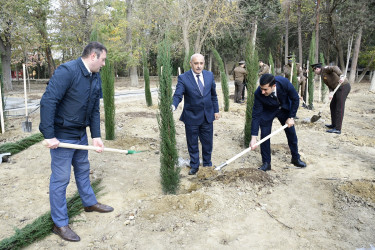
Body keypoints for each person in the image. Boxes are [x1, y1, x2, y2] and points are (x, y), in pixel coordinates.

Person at [39, 42, 114, 242]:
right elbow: (48, 101)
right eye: (103, 59)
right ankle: (60, 224)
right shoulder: (67, 71)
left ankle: (89, 203)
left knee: (82, 169)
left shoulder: (95, 76)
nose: (104, 64)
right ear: (93, 56)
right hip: (62, 137)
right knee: (60, 179)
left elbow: (95, 108)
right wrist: (48, 135)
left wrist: (96, 136)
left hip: (80, 135)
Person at [172, 53, 220, 175]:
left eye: (201, 63)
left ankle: (207, 163)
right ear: (191, 64)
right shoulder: (183, 78)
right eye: (196, 63)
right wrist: (173, 105)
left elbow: (213, 95)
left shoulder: (209, 75)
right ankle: (194, 165)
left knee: (207, 142)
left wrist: (216, 110)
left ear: (204, 63)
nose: (199, 66)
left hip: (207, 116)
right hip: (191, 116)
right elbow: (178, 94)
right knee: (192, 143)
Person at [249, 73, 307, 171]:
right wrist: (253, 137)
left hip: (284, 109)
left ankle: (295, 158)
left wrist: (291, 117)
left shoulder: (284, 82)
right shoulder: (258, 93)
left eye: (265, 89)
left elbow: (295, 99)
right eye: (261, 88)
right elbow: (256, 115)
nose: (262, 92)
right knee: (265, 135)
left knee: (291, 134)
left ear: (273, 86)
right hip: (268, 111)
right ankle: (266, 163)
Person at [312, 63, 351, 134]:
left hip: (343, 87)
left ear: (317, 69)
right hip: (336, 89)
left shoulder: (325, 69)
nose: (314, 72)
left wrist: (341, 76)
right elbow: (330, 85)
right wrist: (331, 93)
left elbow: (335, 67)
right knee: (332, 106)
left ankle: (338, 129)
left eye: (314, 70)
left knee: (339, 107)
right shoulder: (322, 75)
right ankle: (334, 125)